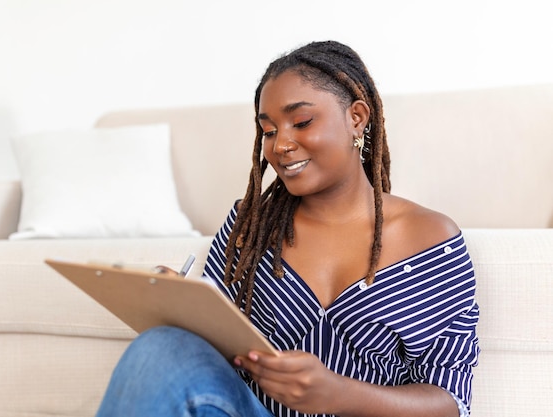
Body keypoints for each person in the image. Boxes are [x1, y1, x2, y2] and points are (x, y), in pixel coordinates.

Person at [95, 40, 479, 417]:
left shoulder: (430, 239)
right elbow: (218, 356)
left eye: (302, 122)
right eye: (269, 130)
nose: (280, 145)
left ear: (356, 118)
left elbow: (451, 401)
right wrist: (180, 310)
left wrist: (339, 394)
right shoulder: (252, 224)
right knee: (160, 345)